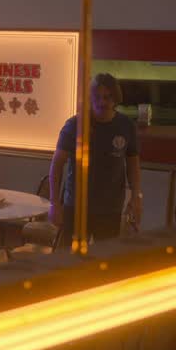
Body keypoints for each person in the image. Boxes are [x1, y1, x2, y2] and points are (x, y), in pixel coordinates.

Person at [48, 72, 142, 243]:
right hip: (76, 207)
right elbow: (57, 165)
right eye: (97, 97)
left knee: (105, 257)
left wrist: (136, 197)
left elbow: (133, 165)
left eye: (107, 97)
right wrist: (54, 203)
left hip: (110, 208)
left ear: (115, 99)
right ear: (90, 98)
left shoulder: (126, 126)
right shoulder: (75, 125)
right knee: (69, 257)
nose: (102, 102)